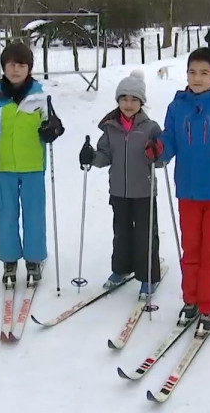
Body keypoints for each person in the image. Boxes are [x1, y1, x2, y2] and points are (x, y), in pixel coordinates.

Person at [145, 47, 210, 335]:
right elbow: (171, 139)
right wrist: (160, 148)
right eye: (192, 72)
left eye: (204, 73)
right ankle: (191, 299)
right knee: (191, 249)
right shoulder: (177, 107)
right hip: (188, 189)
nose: (197, 78)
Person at [0, 42, 64, 285]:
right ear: (3, 67)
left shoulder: (40, 96)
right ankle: (9, 259)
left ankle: (34, 258)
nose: (16, 69)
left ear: (29, 68)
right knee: (6, 214)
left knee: (34, 214)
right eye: (11, 64)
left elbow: (51, 122)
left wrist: (52, 130)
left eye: (21, 65)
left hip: (33, 165)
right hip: (5, 168)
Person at [78, 70, 163, 296]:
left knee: (145, 234)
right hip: (118, 190)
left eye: (134, 99)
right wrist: (91, 157)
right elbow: (105, 155)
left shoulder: (151, 127)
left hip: (144, 191)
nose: (128, 103)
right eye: (124, 98)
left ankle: (148, 276)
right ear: (117, 100)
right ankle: (121, 269)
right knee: (121, 232)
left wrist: (158, 152)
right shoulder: (110, 127)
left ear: (141, 102)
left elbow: (161, 159)